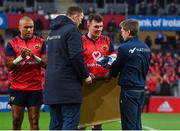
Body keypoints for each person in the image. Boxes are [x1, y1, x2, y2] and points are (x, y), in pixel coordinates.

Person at [44, 6, 92, 130]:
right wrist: (85, 76)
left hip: (52, 86)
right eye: (81, 19)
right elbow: (76, 56)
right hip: (68, 87)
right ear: (75, 17)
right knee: (70, 123)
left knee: (55, 124)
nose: (81, 22)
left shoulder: (53, 32)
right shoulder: (72, 30)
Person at [5, 16, 47, 130]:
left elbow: (45, 64)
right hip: (17, 88)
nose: (29, 30)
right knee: (16, 121)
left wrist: (33, 56)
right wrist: (21, 57)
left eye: (31, 27)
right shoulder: (12, 43)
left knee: (34, 122)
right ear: (19, 28)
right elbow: (9, 67)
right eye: (26, 27)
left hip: (35, 88)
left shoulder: (41, 42)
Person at [109, 19, 151, 130]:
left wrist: (109, 68)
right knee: (137, 124)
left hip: (129, 91)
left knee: (128, 126)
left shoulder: (124, 48)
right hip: (141, 90)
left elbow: (115, 69)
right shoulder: (146, 47)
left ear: (128, 31)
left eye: (122, 30)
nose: (121, 33)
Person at [81, 13, 116, 130]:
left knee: (99, 119)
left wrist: (109, 68)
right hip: (85, 84)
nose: (99, 29)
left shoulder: (107, 40)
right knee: (82, 120)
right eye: (96, 26)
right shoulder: (80, 41)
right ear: (88, 25)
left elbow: (113, 55)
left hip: (101, 83)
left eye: (101, 26)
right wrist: (85, 74)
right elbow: (76, 61)